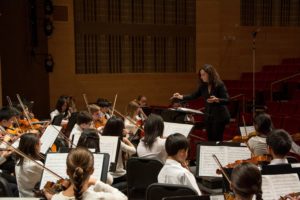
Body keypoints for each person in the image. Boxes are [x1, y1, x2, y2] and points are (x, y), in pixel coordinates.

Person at [172, 64, 230, 141]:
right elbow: (193, 96)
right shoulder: (203, 86)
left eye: (203, 75)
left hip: (219, 117)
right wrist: (180, 96)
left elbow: (227, 100)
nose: (201, 77)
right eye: (200, 75)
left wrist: (217, 99)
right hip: (209, 116)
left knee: (217, 140)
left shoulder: (219, 85)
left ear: (210, 74)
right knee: (210, 140)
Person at [49, 147, 127, 200]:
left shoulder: (55, 198)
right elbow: (123, 197)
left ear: (67, 171)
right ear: (92, 171)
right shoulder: (98, 197)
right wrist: (96, 182)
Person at [102, 117, 136, 182]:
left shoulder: (101, 139)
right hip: (117, 176)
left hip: (104, 175)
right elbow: (134, 151)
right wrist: (126, 140)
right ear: (119, 130)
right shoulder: (118, 142)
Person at [15, 133, 44, 197]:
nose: (41, 144)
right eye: (39, 143)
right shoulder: (36, 164)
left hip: (23, 196)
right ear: (34, 146)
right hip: (35, 197)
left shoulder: (18, 161)